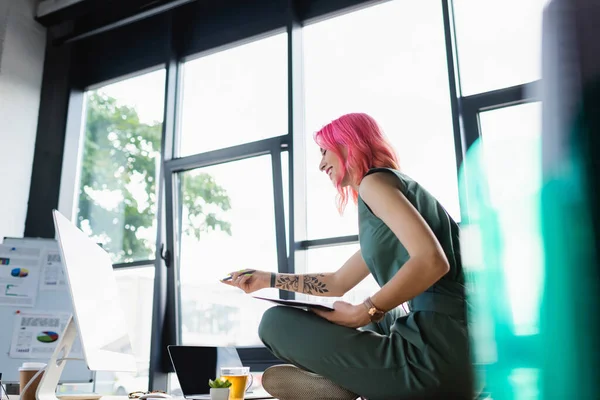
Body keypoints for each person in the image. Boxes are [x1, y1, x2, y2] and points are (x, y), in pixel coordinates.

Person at [222, 113, 474, 400]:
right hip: (462, 353)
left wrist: (364, 310)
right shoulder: (397, 191)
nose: (320, 164)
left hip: (434, 361)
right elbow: (338, 282)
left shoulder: (374, 183)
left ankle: (353, 383)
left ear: (348, 144)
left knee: (274, 323)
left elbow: (431, 260)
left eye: (324, 151)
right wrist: (268, 279)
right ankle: (356, 381)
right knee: (374, 321)